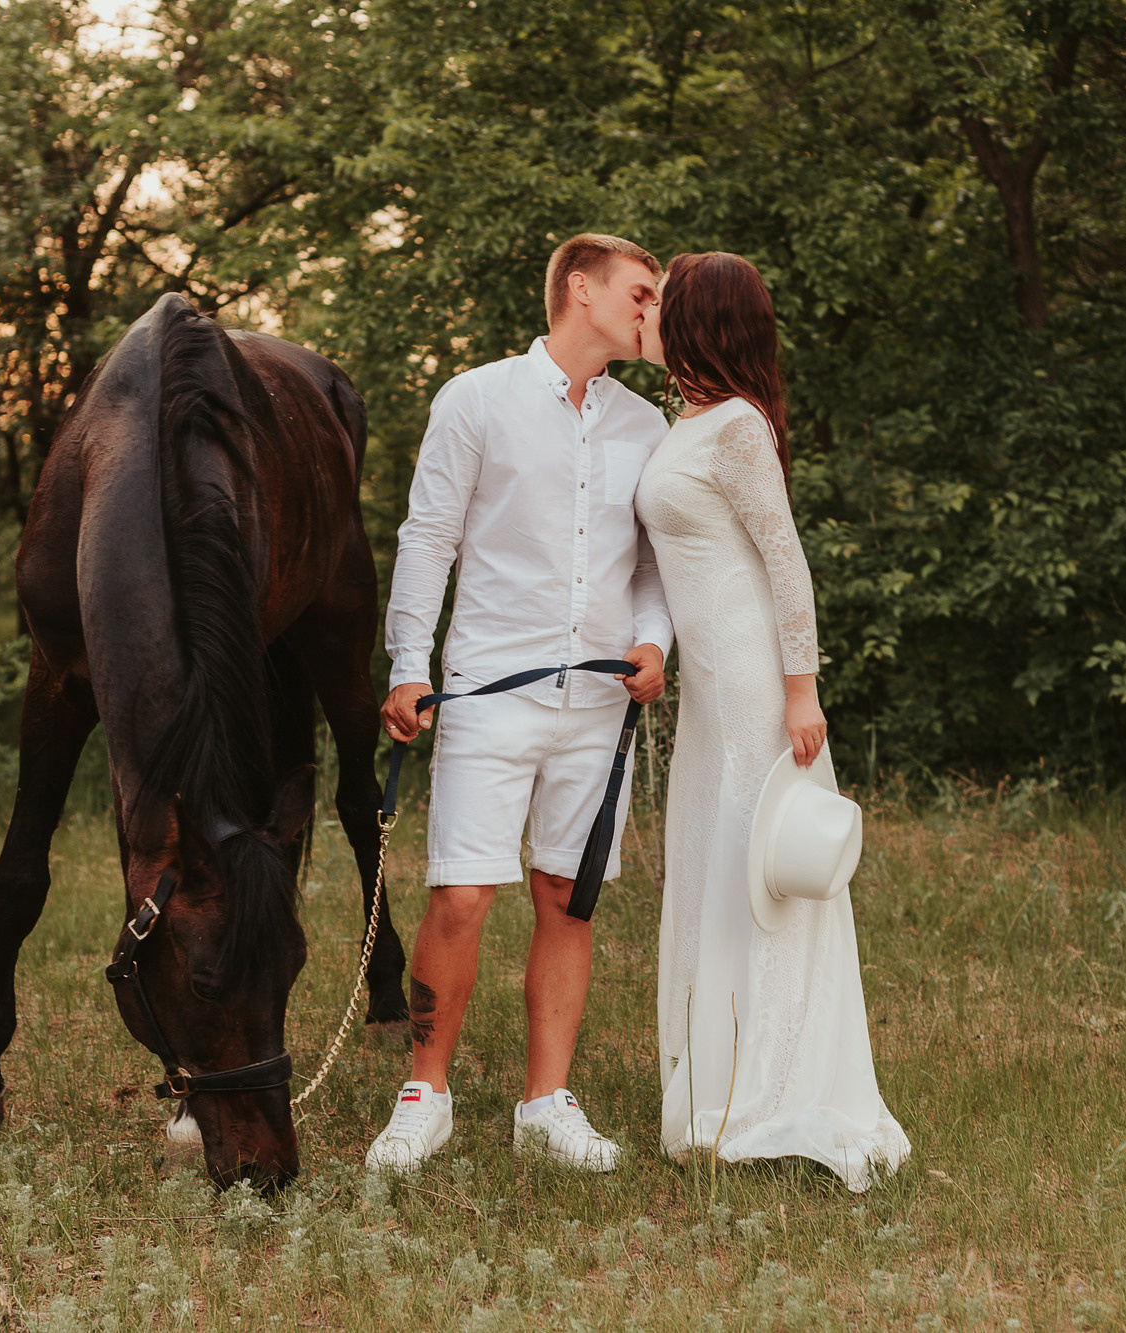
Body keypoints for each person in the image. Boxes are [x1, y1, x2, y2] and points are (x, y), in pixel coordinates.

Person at [367, 233, 672, 1173]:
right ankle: (426, 1093)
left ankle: (546, 1103)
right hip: (490, 692)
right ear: (580, 289)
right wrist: (407, 663)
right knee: (461, 893)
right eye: (642, 292)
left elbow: (659, 565)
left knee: (565, 900)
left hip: (599, 709)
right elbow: (428, 539)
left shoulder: (645, 427)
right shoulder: (477, 398)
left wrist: (656, 640)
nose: (654, 310)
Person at [634, 251, 910, 1189]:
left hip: (757, 684)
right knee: (714, 872)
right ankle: (717, 1080)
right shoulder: (691, 420)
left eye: (664, 301)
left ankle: (776, 1088)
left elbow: (784, 561)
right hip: (710, 691)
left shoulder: (739, 427)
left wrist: (803, 689)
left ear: (701, 317)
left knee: (760, 881)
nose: (654, 312)